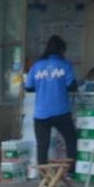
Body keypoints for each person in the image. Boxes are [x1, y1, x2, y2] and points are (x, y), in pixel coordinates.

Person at [25, 35, 78, 173]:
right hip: (61, 111)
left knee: (42, 146)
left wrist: (43, 85)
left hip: (41, 113)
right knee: (71, 139)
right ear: (61, 50)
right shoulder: (65, 65)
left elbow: (28, 87)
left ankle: (44, 176)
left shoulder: (36, 66)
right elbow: (72, 86)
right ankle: (71, 171)